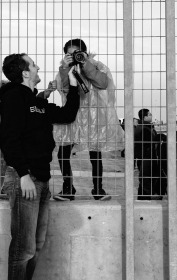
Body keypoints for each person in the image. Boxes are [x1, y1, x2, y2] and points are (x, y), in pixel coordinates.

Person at [0, 53, 80, 280]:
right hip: (26, 179)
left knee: (35, 246)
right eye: (33, 65)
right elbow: (8, 139)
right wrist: (22, 174)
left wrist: (73, 84)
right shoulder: (14, 98)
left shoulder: (37, 102)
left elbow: (67, 115)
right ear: (23, 73)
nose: (38, 67)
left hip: (42, 180)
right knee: (23, 248)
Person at [52, 38, 125, 201]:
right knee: (63, 152)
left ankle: (98, 189)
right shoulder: (65, 69)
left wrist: (85, 64)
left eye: (77, 53)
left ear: (85, 52)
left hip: (94, 117)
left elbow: (102, 83)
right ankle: (68, 188)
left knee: (95, 153)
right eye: (69, 54)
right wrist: (65, 67)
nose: (74, 56)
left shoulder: (97, 65)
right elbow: (63, 87)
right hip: (72, 114)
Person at [134, 108, 163, 200]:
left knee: (146, 176)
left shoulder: (144, 127)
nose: (151, 116)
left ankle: (142, 197)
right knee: (146, 176)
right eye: (149, 114)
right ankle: (149, 194)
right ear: (145, 117)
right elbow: (148, 143)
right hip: (146, 156)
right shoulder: (145, 128)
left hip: (146, 155)